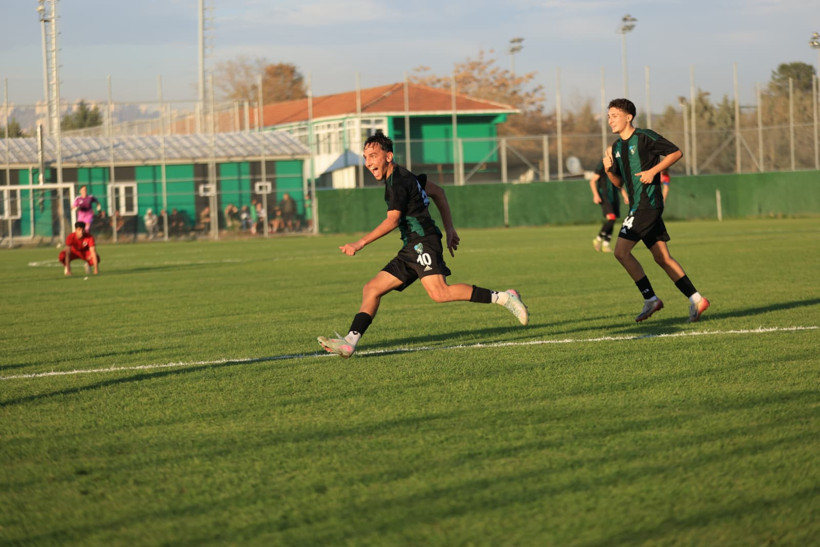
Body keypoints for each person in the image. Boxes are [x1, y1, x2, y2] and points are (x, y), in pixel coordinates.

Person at [317, 131, 529, 358]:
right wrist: (449, 229)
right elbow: (439, 192)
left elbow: (392, 220)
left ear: (388, 156)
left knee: (440, 293)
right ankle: (350, 342)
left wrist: (360, 243)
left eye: (373, 156)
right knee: (372, 289)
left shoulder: (398, 182)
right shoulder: (404, 177)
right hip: (412, 246)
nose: (368, 162)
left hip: (422, 243)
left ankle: (504, 297)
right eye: (365, 157)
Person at [603, 98, 710, 323]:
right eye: (609, 116)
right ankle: (697, 299)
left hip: (647, 205)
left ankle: (650, 299)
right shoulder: (616, 147)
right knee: (662, 257)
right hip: (638, 206)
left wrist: (653, 171)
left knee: (621, 252)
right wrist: (609, 170)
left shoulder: (644, 137)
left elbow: (675, 153)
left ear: (628, 117)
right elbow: (619, 183)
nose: (610, 120)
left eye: (614, 115)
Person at [589, 160, 627, 253]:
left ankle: (606, 244)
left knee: (612, 221)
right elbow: (592, 181)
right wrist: (596, 195)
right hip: (604, 197)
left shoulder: (617, 165)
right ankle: (598, 239)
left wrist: (625, 196)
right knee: (612, 218)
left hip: (614, 198)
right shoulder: (602, 164)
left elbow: (619, 184)